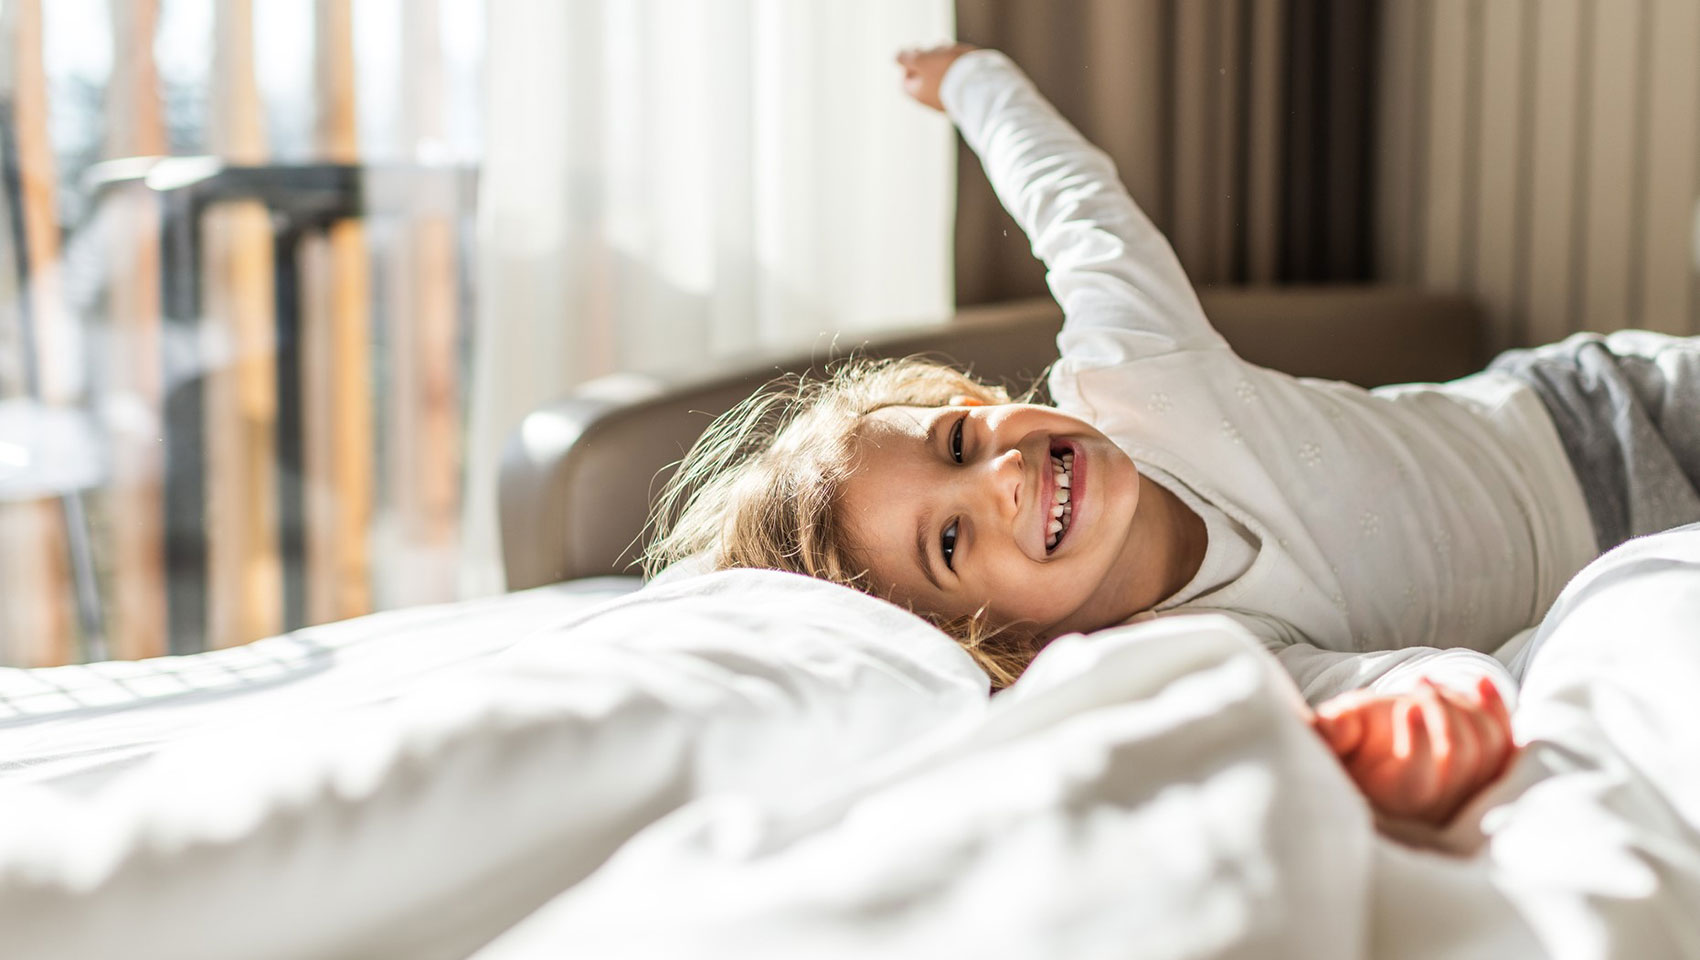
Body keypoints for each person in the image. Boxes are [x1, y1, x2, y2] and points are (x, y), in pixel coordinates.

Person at [642, 44, 1700, 720]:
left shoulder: (1133, 377)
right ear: (995, 641)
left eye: (958, 442)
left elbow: (1076, 207)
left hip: (1601, 410)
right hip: (1630, 575)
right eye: (950, 541)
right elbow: (1389, 693)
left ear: (971, 404)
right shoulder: (1189, 655)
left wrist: (972, 82)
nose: (999, 478)